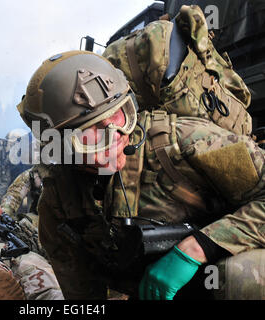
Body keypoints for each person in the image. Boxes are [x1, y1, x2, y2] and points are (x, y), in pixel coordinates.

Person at [16, 50, 265, 300]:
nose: (114, 137)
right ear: (60, 145)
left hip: (224, 273)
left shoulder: (184, 142)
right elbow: (84, 296)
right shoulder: (59, 205)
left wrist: (199, 247)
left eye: (118, 116)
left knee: (239, 276)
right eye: (90, 132)